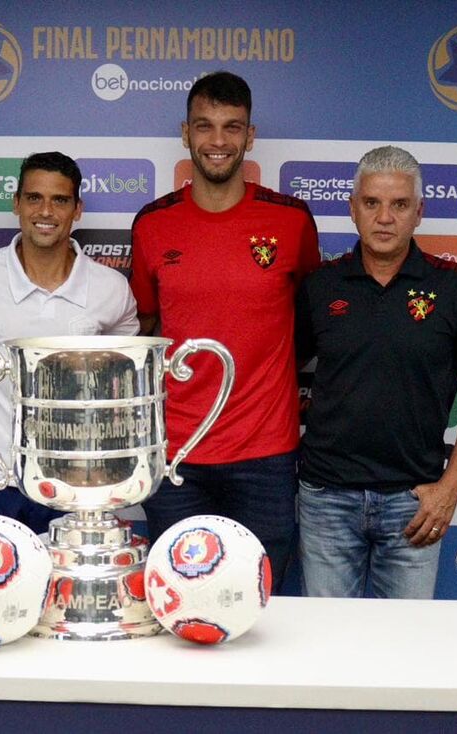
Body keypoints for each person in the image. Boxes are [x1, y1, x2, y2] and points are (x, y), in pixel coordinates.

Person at [129, 72, 320, 593]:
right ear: (185, 133)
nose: (218, 141)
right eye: (205, 126)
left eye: (231, 127)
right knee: (179, 600)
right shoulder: (152, 225)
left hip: (267, 453)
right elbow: (144, 330)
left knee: (266, 603)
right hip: (176, 456)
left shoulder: (291, 221)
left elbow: (310, 322)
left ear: (250, 135)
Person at [295, 145, 457, 599]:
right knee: (328, 649)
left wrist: (451, 488)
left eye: (399, 204)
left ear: (419, 212)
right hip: (327, 498)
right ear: (353, 209)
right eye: (372, 203)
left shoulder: (453, 287)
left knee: (407, 655)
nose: (385, 217)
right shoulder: (319, 286)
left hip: (415, 503)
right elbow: (276, 371)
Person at [0, 152, 138, 533]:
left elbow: (123, 382)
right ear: (17, 204)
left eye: (60, 200)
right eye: (34, 198)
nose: (46, 211)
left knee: (67, 593)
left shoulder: (111, 289)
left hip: (79, 482)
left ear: (77, 210)